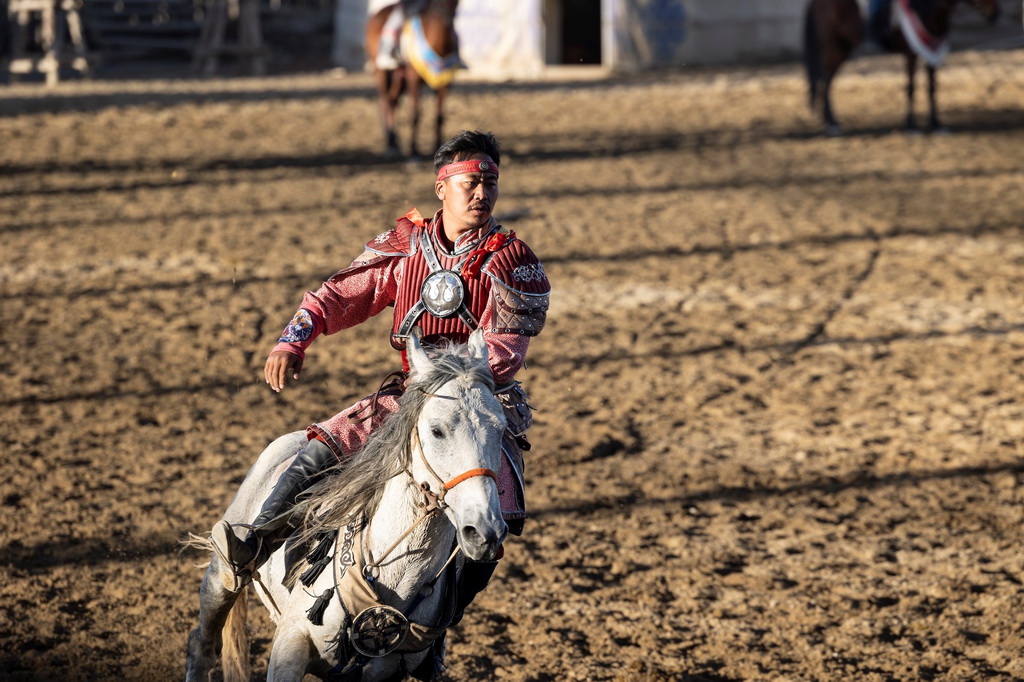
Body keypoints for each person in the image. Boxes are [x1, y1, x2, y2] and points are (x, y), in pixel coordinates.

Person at [212, 131, 551, 611]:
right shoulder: (405, 246)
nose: (481, 194)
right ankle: (255, 543)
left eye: (490, 184)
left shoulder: (512, 260)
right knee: (324, 444)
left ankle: (439, 621)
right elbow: (343, 294)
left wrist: (446, 380)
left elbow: (507, 349)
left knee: (497, 510)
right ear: (442, 188)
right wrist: (294, 338)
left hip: (476, 402)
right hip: (408, 395)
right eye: (470, 183)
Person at [375, 0, 428, 70]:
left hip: (418, 8)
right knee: (392, 27)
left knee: (392, 26)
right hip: (410, 7)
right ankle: (387, 52)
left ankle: (386, 52)